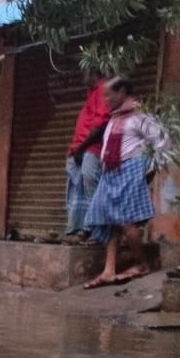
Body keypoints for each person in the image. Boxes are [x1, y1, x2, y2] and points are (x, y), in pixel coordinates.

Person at [83, 76, 170, 289]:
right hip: (110, 172)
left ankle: (141, 264)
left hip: (129, 169)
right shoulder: (115, 118)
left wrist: (149, 170)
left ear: (122, 92)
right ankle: (109, 271)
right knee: (111, 222)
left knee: (126, 221)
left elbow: (163, 142)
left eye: (108, 94)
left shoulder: (139, 116)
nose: (105, 99)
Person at [65, 73, 111, 242]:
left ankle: (93, 229)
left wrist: (82, 148)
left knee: (90, 184)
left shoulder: (101, 89)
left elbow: (100, 123)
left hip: (90, 148)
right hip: (80, 148)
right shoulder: (91, 92)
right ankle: (78, 227)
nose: (81, 75)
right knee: (78, 189)